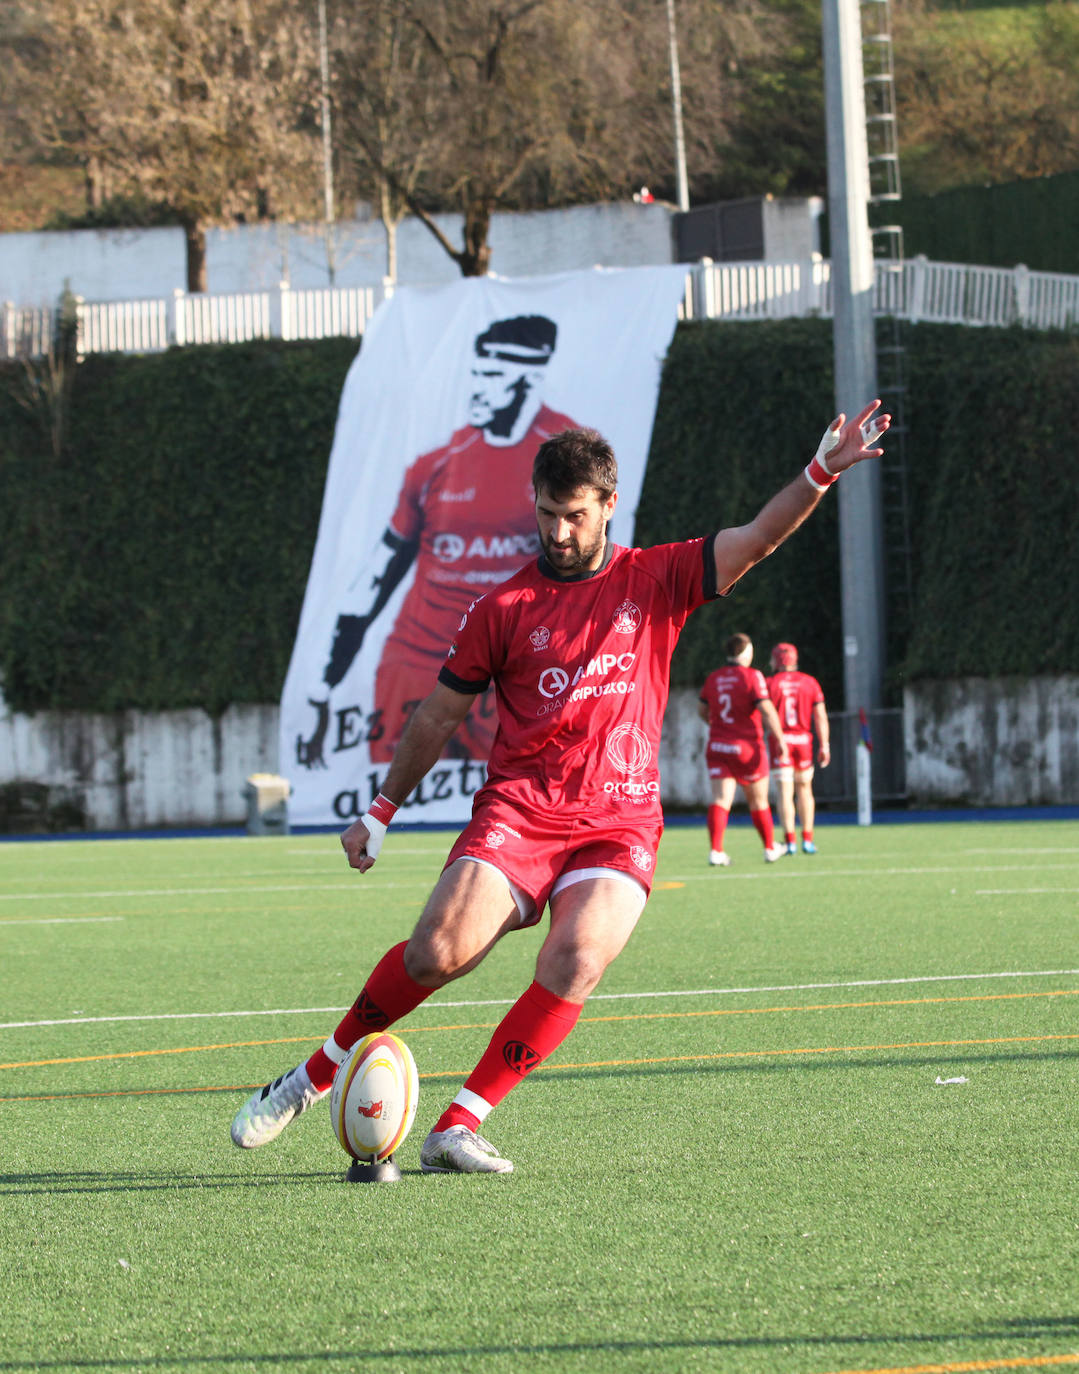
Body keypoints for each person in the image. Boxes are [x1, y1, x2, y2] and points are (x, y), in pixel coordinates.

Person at [232, 400, 889, 1175]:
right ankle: (312, 1075)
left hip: (618, 822)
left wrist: (820, 472)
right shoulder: (502, 606)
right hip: (521, 812)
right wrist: (380, 812)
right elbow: (439, 715)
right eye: (547, 514)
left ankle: (458, 1124)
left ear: (609, 505)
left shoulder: (658, 576)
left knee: (577, 957)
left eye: (574, 516)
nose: (558, 532)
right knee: (436, 951)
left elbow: (757, 537)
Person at [296, 315, 581, 769]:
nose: (476, 389)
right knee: (390, 811)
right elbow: (374, 580)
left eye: (491, 376)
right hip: (416, 665)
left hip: (512, 671)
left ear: (528, 378)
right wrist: (322, 689)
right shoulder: (437, 463)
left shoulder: (568, 458)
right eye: (475, 373)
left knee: (516, 809)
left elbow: (589, 580)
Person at [697, 634, 790, 867]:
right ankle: (770, 847)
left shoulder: (714, 678)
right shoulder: (753, 676)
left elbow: (702, 709)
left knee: (721, 799)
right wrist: (780, 740)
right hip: (747, 747)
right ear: (747, 651)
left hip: (718, 745)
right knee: (758, 801)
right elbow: (766, 709)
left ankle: (716, 851)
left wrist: (717, 725)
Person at [767, 641, 830, 854]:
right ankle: (808, 840)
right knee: (805, 789)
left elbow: (762, 714)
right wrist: (825, 745)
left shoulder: (770, 683)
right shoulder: (809, 682)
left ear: (776, 660)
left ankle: (790, 841)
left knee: (785, 792)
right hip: (803, 741)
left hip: (780, 741)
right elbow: (820, 716)